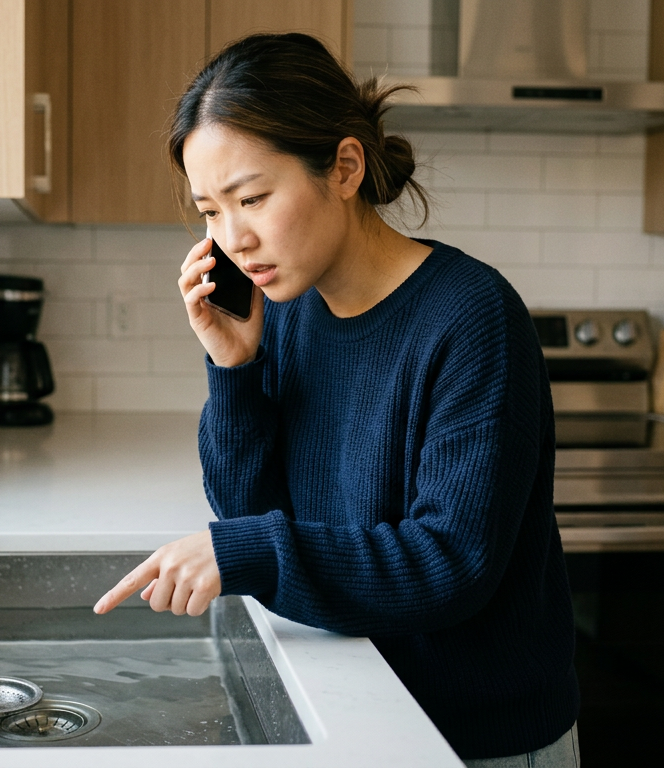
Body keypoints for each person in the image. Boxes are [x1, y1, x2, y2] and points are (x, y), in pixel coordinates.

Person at [93, 33, 579, 766]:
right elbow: (247, 509)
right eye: (211, 211)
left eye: (252, 198)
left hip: (477, 738)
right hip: (353, 700)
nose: (234, 239)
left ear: (345, 167)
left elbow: (452, 562)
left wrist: (247, 552)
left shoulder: (472, 317)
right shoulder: (282, 310)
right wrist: (232, 369)